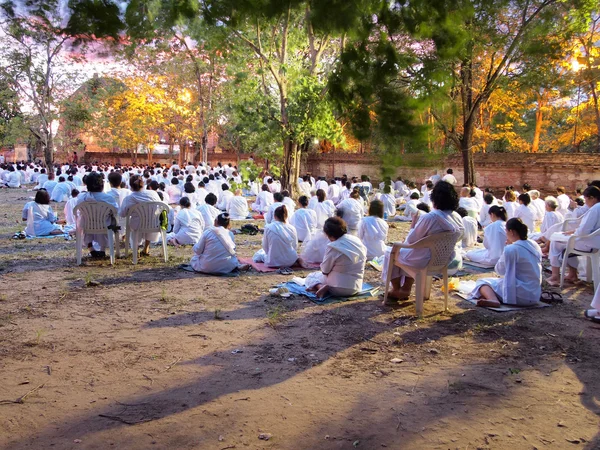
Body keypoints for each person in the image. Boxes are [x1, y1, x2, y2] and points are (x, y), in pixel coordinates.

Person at [382, 180, 464, 304]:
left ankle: (397, 289)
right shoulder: (456, 217)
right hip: (443, 259)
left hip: (423, 260)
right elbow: (459, 237)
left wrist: (413, 226)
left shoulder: (430, 217)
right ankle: (405, 288)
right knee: (409, 252)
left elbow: (412, 240)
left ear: (434, 198)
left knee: (391, 252)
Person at [470, 218, 542, 307]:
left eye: (506, 232)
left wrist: (507, 247)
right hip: (534, 294)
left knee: (482, 283)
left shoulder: (511, 249)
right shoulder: (534, 245)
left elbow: (500, 270)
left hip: (519, 295)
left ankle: (493, 299)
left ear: (511, 232)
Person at [547, 185, 600, 286]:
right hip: (594, 240)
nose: (585, 202)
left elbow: (583, 231)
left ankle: (555, 277)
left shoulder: (595, 209)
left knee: (556, 242)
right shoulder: (596, 208)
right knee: (565, 242)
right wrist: (574, 231)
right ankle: (572, 274)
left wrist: (574, 233)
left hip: (589, 242)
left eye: (585, 199)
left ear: (592, 198)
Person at [305, 217, 367, 298]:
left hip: (337, 288)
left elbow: (325, 270)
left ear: (329, 235)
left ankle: (320, 286)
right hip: (356, 287)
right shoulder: (357, 241)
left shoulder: (333, 246)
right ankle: (323, 286)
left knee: (311, 276)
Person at [76, 172, 119, 257]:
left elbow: (79, 210)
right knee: (111, 220)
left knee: (84, 219)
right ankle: (102, 249)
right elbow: (115, 211)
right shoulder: (108, 198)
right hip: (105, 225)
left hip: (87, 225)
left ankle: (91, 249)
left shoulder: (82, 198)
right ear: (102, 185)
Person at [119, 175, 163, 256]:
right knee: (150, 221)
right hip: (154, 224)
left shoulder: (129, 198)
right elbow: (161, 207)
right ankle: (146, 247)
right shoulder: (153, 193)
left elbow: (122, 214)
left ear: (130, 185)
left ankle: (136, 250)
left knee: (133, 226)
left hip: (137, 225)